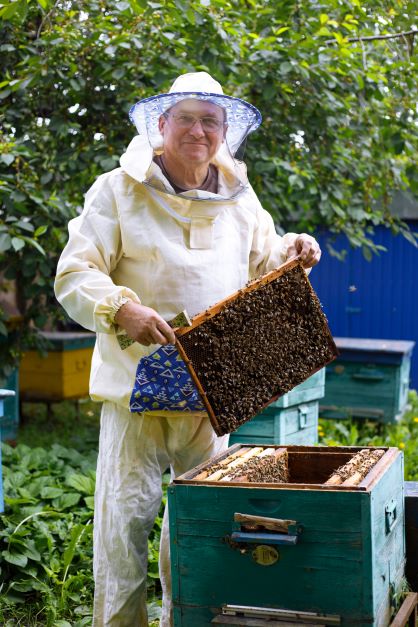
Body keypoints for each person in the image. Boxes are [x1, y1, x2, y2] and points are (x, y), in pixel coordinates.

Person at [54, 72, 321, 627]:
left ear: (224, 132)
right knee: (123, 526)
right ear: (161, 125)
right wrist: (121, 309)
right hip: (136, 387)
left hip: (211, 391)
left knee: (201, 529)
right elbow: (75, 273)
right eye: (187, 119)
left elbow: (263, 260)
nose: (198, 131)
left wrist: (292, 248)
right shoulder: (117, 191)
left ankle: (191, 619)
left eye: (210, 121)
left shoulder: (241, 198)